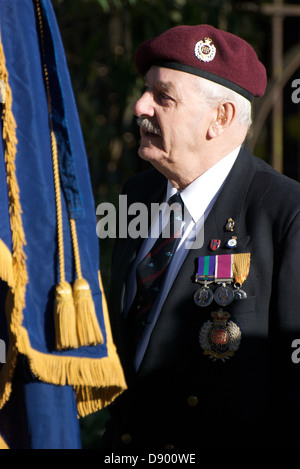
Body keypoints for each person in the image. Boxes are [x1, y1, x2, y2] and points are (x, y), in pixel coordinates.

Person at [101, 24, 300, 450]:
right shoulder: (138, 195)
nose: (140, 106)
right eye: (145, 90)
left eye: (163, 96)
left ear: (221, 117)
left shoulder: (284, 214)